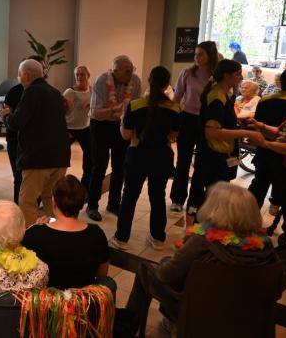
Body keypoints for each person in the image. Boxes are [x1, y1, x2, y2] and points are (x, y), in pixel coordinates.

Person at [126, 183, 286, 335]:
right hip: (246, 320)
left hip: (198, 314)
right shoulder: (264, 246)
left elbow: (165, 274)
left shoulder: (203, 240)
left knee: (145, 270)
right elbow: (281, 284)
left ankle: (126, 328)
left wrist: (166, 261)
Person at [111, 66, 180, 251]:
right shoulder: (175, 108)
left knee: (129, 196)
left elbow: (126, 135)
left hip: (137, 156)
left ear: (149, 80)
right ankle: (158, 239)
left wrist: (122, 121)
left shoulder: (135, 105)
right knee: (157, 197)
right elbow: (174, 135)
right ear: (167, 84)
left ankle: (121, 238)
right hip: (162, 157)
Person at [186, 60, 265, 216]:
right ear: (226, 75)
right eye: (238, 74)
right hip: (213, 156)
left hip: (217, 154)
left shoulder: (222, 95)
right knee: (211, 202)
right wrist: (247, 133)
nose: (241, 77)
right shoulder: (217, 98)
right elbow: (212, 132)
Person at [0, 59, 70, 227]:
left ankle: (31, 237)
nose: (18, 78)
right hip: (60, 156)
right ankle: (56, 231)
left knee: (27, 202)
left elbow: (17, 123)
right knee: (50, 199)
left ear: (26, 75)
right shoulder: (55, 91)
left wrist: (5, 115)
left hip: (38, 158)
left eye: (19, 75)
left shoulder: (31, 91)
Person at [22, 175, 112, 292]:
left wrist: (36, 228)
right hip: (82, 300)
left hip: (45, 301)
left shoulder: (34, 235)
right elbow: (102, 275)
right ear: (81, 204)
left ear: (53, 202)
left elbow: (23, 274)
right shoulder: (96, 234)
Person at [86, 55, 142, 221]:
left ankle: (114, 204)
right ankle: (92, 205)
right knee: (99, 166)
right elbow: (96, 113)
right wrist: (115, 109)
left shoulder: (135, 81)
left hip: (122, 126)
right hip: (101, 126)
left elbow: (135, 108)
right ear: (115, 71)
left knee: (120, 167)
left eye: (132, 70)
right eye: (127, 71)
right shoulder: (101, 81)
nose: (131, 74)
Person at [170, 41, 218, 213]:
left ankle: (195, 202)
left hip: (207, 122)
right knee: (183, 160)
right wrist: (172, 122)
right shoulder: (187, 73)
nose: (196, 57)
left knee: (201, 163)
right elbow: (177, 98)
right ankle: (177, 199)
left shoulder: (216, 76)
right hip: (187, 119)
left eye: (201, 54)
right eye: (195, 54)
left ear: (210, 56)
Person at [247, 68, 286, 217]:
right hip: (285, 156)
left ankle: (247, 218)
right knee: (283, 184)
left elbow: (258, 126)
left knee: (259, 183)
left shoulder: (265, 100)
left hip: (264, 150)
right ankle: (275, 204)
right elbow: (282, 132)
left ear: (281, 83)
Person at [3, 55, 45, 203]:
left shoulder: (44, 91)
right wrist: (6, 116)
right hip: (15, 139)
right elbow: (10, 117)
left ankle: (31, 204)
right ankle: (19, 207)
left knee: (35, 178)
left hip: (35, 142)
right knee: (19, 176)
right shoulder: (14, 92)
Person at [63, 66, 92, 190]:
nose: (79, 77)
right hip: (69, 128)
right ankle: (59, 184)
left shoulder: (91, 90)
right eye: (77, 74)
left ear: (88, 75)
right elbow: (61, 110)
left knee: (90, 156)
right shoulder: (70, 92)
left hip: (85, 128)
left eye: (82, 74)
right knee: (62, 156)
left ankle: (85, 185)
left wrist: (91, 104)